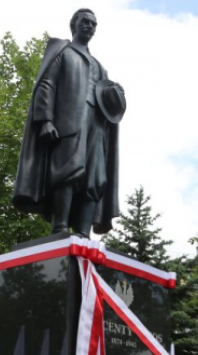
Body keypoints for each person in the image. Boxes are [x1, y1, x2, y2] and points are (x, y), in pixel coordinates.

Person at [12, 8, 125, 237]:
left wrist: (117, 94)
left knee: (95, 178)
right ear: (74, 25)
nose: (90, 26)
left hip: (97, 127)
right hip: (69, 122)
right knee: (68, 171)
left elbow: (108, 100)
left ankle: (83, 232)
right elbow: (46, 86)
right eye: (85, 22)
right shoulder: (62, 52)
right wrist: (45, 120)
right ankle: (60, 227)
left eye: (94, 24)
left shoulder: (99, 66)